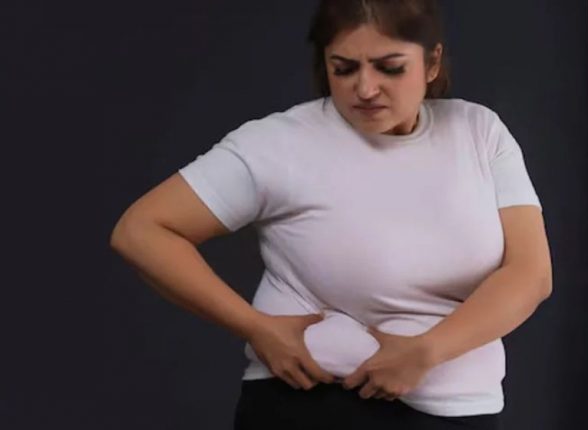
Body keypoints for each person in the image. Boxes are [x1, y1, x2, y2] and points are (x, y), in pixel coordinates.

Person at [110, 0, 553, 429]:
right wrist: (256, 328)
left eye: (390, 67)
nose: (365, 88)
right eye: (343, 68)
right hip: (312, 407)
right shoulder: (280, 143)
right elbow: (141, 230)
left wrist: (426, 351)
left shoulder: (479, 132)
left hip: (462, 412)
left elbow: (530, 274)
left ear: (432, 63)